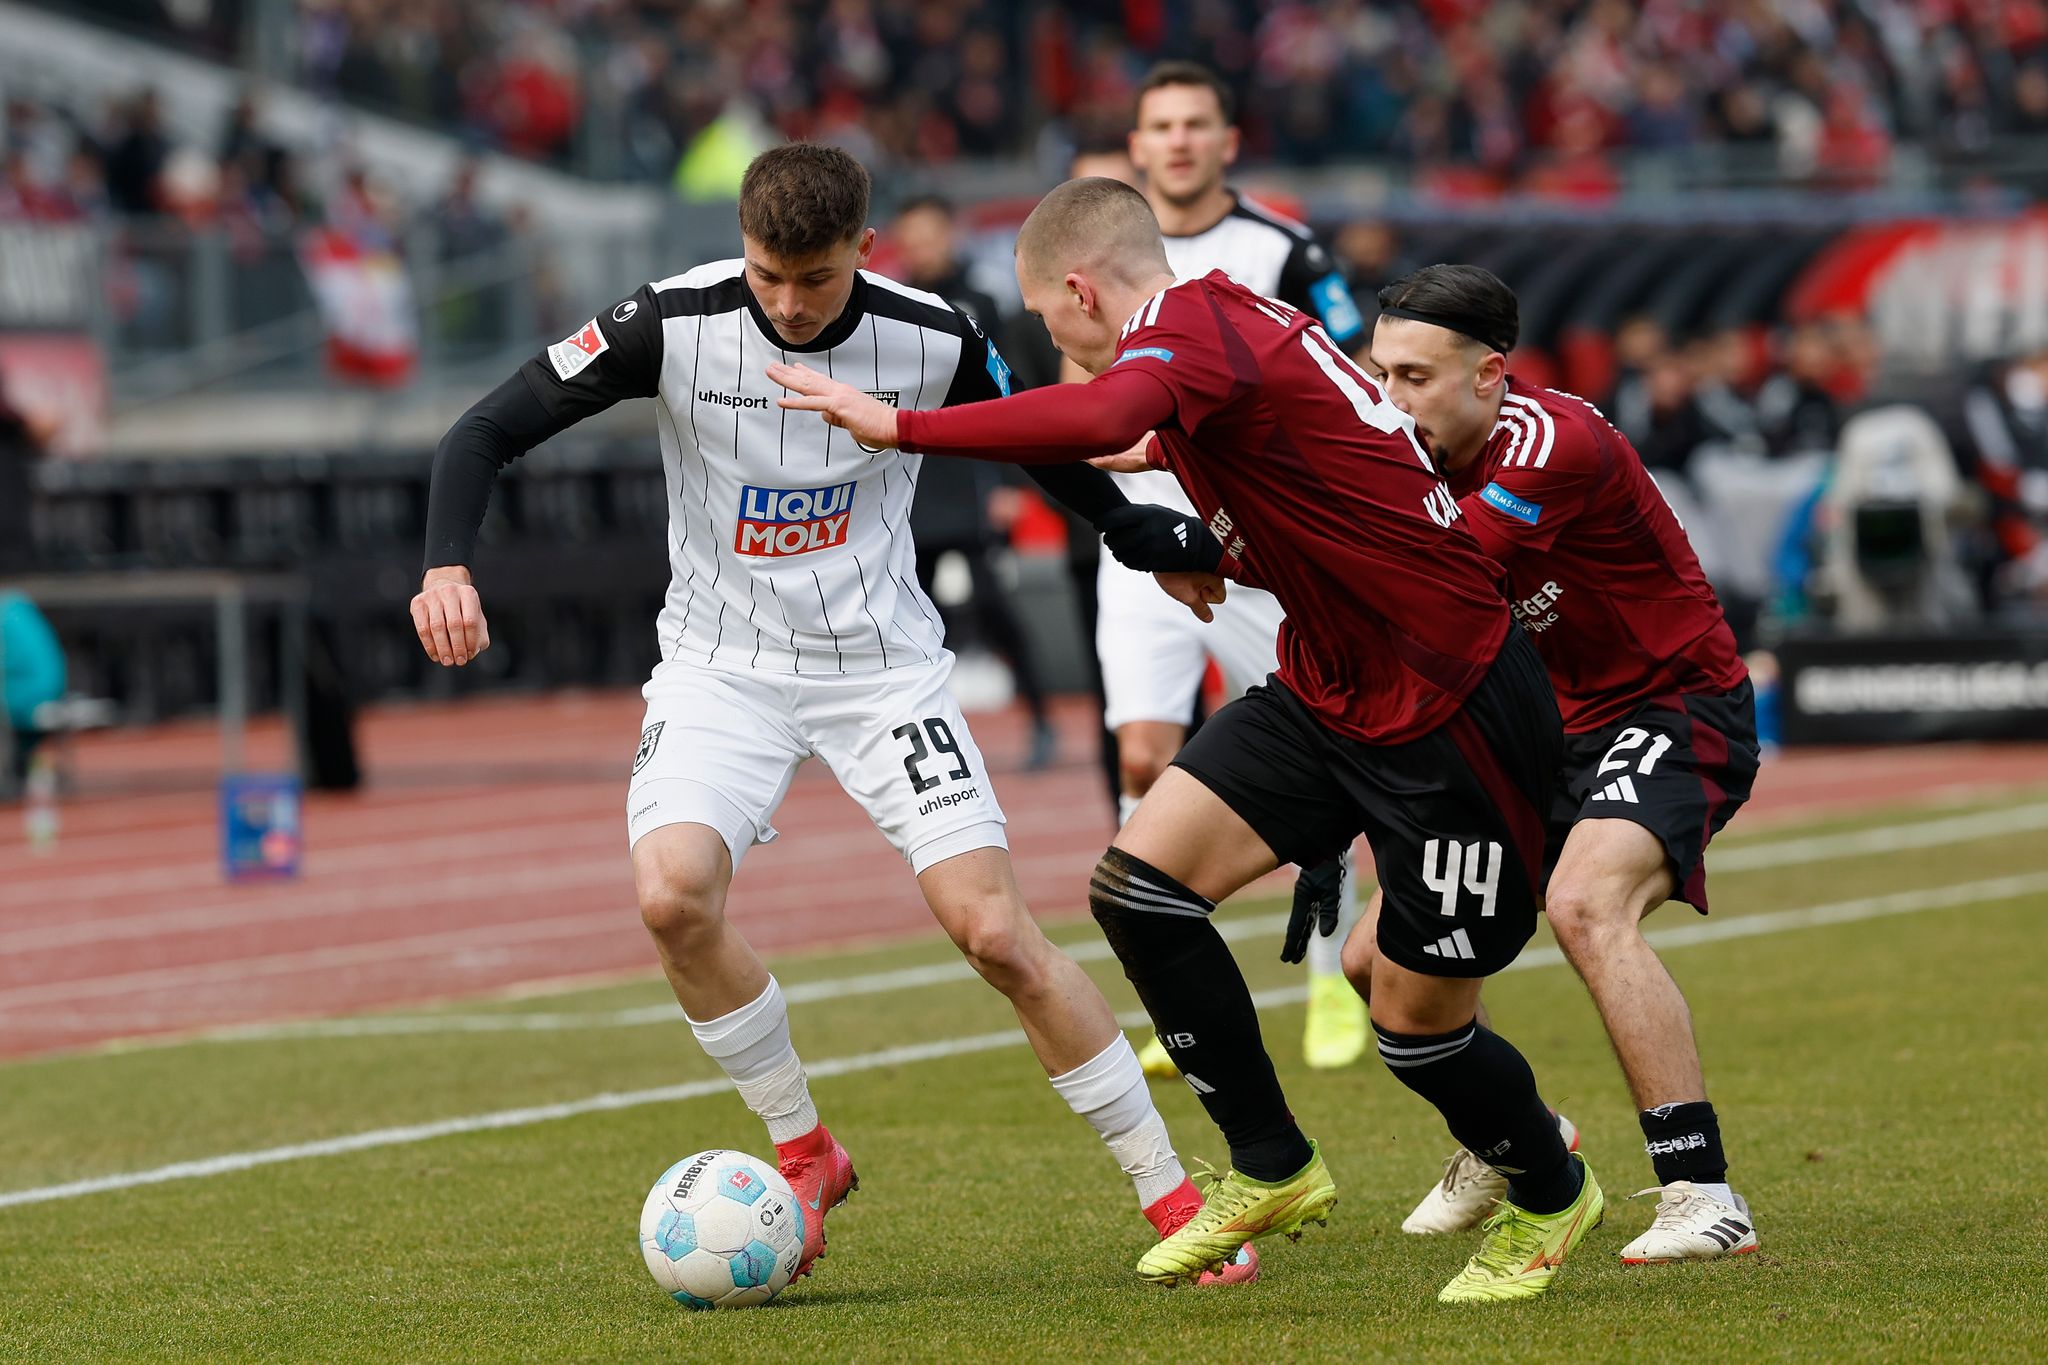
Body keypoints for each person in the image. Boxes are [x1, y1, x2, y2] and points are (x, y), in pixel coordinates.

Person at [411, 145, 1254, 1288]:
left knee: (997, 937)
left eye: (812, 278)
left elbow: (1042, 437)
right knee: (670, 900)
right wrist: (446, 568)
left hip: (882, 670)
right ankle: (804, 1151)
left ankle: (1170, 1194)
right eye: (768, 276)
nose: (788, 304)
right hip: (721, 668)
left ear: (863, 251)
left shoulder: (932, 334)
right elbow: (481, 431)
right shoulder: (669, 320)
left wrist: (1131, 533)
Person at [773, 177, 1603, 1303]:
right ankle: (1271, 1163)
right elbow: (1155, 453)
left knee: (1414, 1025)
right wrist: (1181, 532)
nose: (1056, 345)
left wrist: (903, 424)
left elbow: (1108, 419)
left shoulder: (1190, 329)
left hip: (1451, 702)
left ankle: (1552, 1194)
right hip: (1332, 683)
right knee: (1137, 889)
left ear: (1077, 291)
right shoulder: (1216, 337)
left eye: (1049, 323)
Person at [1349, 265, 1761, 1263]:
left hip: (1672, 707)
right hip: (1542, 738)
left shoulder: (1549, 443)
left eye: (1413, 377)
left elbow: (1427, 578)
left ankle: (1701, 1190)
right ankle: (1510, 1140)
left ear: (1489, 374)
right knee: (1379, 960)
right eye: (1379, 376)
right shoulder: (1412, 453)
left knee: (1584, 904)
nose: (1389, 402)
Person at [1117, 61, 1372, 1075]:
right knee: (1142, 755)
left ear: (1227, 139)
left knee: (1316, 750)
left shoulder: (1281, 250)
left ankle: (1324, 984)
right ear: (1135, 145)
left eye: (1194, 124)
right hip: (1136, 523)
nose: (1176, 141)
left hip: (1256, 540)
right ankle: (1182, 991)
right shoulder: (1105, 239)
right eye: (1158, 126)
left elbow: (1350, 371)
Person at [892, 193, 1058, 768]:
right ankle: (908, 735)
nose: (923, 248)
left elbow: (1009, 390)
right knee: (905, 616)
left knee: (990, 604)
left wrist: (1010, 484)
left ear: (951, 234)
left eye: (931, 235)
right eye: (912, 238)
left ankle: (1039, 716)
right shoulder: (892, 300)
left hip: (970, 475)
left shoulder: (983, 299)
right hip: (912, 476)